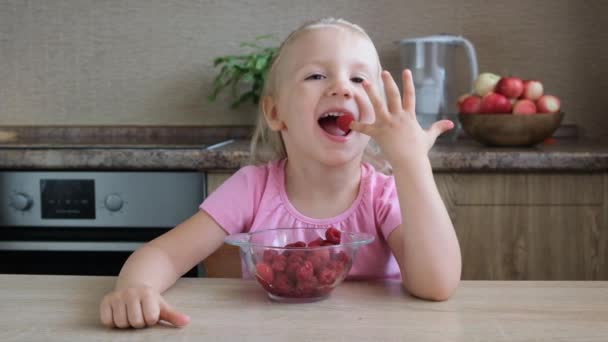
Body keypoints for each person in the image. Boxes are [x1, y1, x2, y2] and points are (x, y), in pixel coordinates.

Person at [99, 17, 461, 329]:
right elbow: (164, 254)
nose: (341, 87)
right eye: (317, 75)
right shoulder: (251, 188)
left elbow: (437, 284)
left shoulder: (383, 195)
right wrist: (135, 288)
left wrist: (412, 164)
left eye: (359, 79)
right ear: (275, 114)